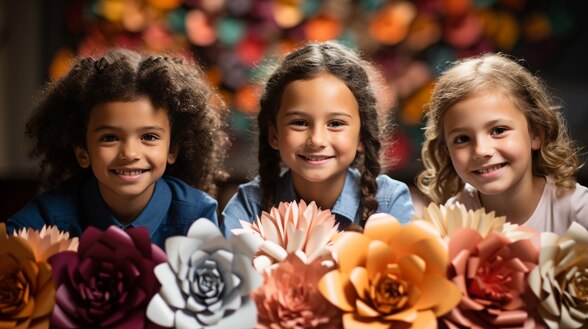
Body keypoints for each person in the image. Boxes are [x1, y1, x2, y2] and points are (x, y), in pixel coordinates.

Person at [7, 48, 230, 248]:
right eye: (110, 138)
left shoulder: (197, 215)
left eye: (149, 136)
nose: (130, 153)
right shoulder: (50, 216)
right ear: (83, 152)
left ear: (172, 150)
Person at [417, 52, 588, 241]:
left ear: (535, 134)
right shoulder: (455, 217)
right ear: (446, 150)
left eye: (498, 130)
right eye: (462, 139)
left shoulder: (571, 205)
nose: (481, 150)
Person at [221, 41, 415, 236]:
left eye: (336, 124)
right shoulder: (249, 205)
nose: (317, 140)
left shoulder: (389, 202)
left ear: (362, 137)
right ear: (274, 135)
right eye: (300, 123)